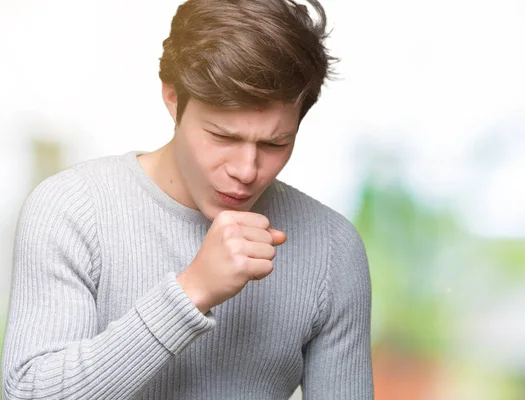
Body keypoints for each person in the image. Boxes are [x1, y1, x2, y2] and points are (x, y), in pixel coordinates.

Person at [2, 0, 374, 398]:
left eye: (275, 143)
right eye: (223, 136)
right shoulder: (71, 210)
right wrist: (192, 291)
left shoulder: (332, 247)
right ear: (172, 98)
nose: (247, 170)